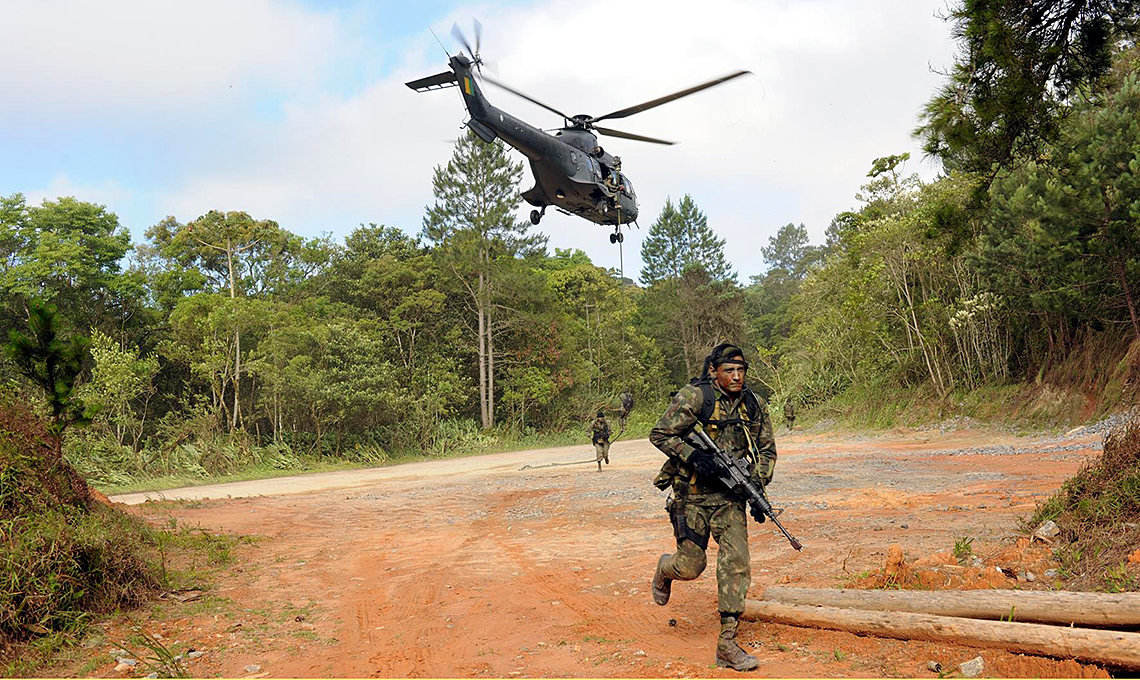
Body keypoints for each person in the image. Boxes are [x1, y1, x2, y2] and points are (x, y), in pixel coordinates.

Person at [648, 343, 777, 671]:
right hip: (691, 496)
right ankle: (665, 569)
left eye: (741, 370)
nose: (736, 377)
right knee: (691, 567)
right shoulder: (695, 397)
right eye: (729, 371)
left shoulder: (753, 403)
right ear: (714, 372)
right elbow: (660, 434)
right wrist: (695, 457)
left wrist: (756, 490)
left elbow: (767, 450)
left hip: (730, 499)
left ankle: (727, 644)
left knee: (737, 563)